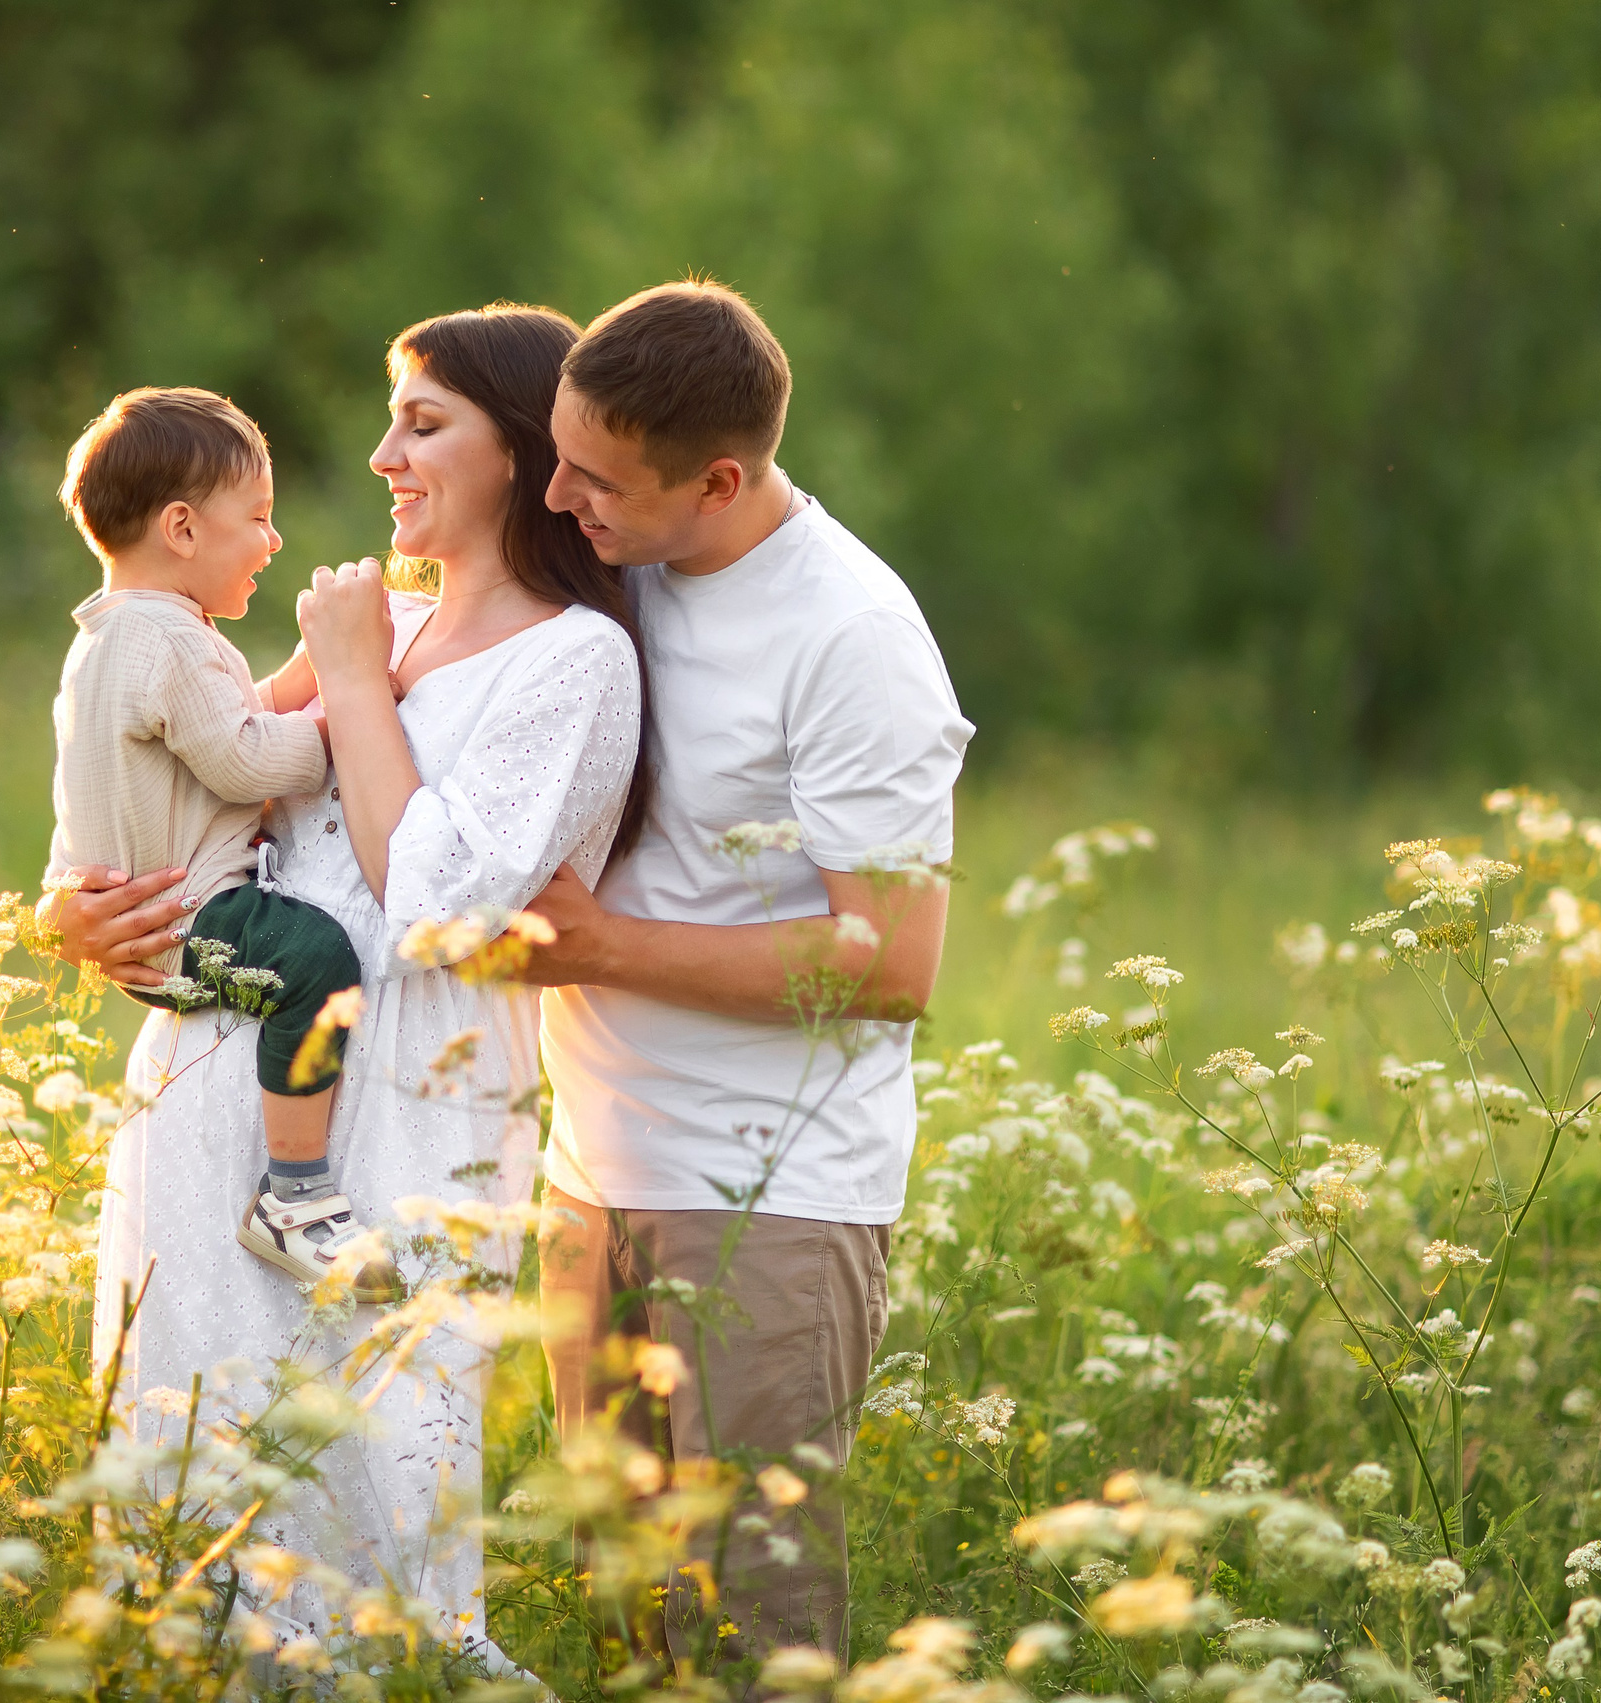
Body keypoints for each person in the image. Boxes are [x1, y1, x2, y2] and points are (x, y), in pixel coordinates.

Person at [52, 305, 646, 1666]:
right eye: (391, 422)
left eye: (422, 424)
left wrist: (357, 677)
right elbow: (155, 781)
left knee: (381, 1485)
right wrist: (66, 909)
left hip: (406, 1108)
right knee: (196, 1477)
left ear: (523, 451)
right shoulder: (379, 625)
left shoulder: (575, 658)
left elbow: (435, 907)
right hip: (213, 1090)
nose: (383, 456)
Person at [525, 280, 975, 1661]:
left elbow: (888, 961)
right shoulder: (611, 563)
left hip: (767, 1195)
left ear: (718, 481)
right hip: (588, 1167)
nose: (555, 495)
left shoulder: (851, 635)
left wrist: (597, 947)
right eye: (556, 454)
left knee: (745, 1633)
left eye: (596, 478)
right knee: (618, 1619)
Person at [43, 386, 396, 1299]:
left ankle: (293, 1191)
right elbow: (242, 761)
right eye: (259, 517)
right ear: (183, 529)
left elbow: (220, 724)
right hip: (194, 920)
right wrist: (344, 717)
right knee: (318, 960)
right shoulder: (172, 640)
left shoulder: (111, 638)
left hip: (136, 934)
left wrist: (307, 677)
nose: (273, 541)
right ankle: (295, 1194)